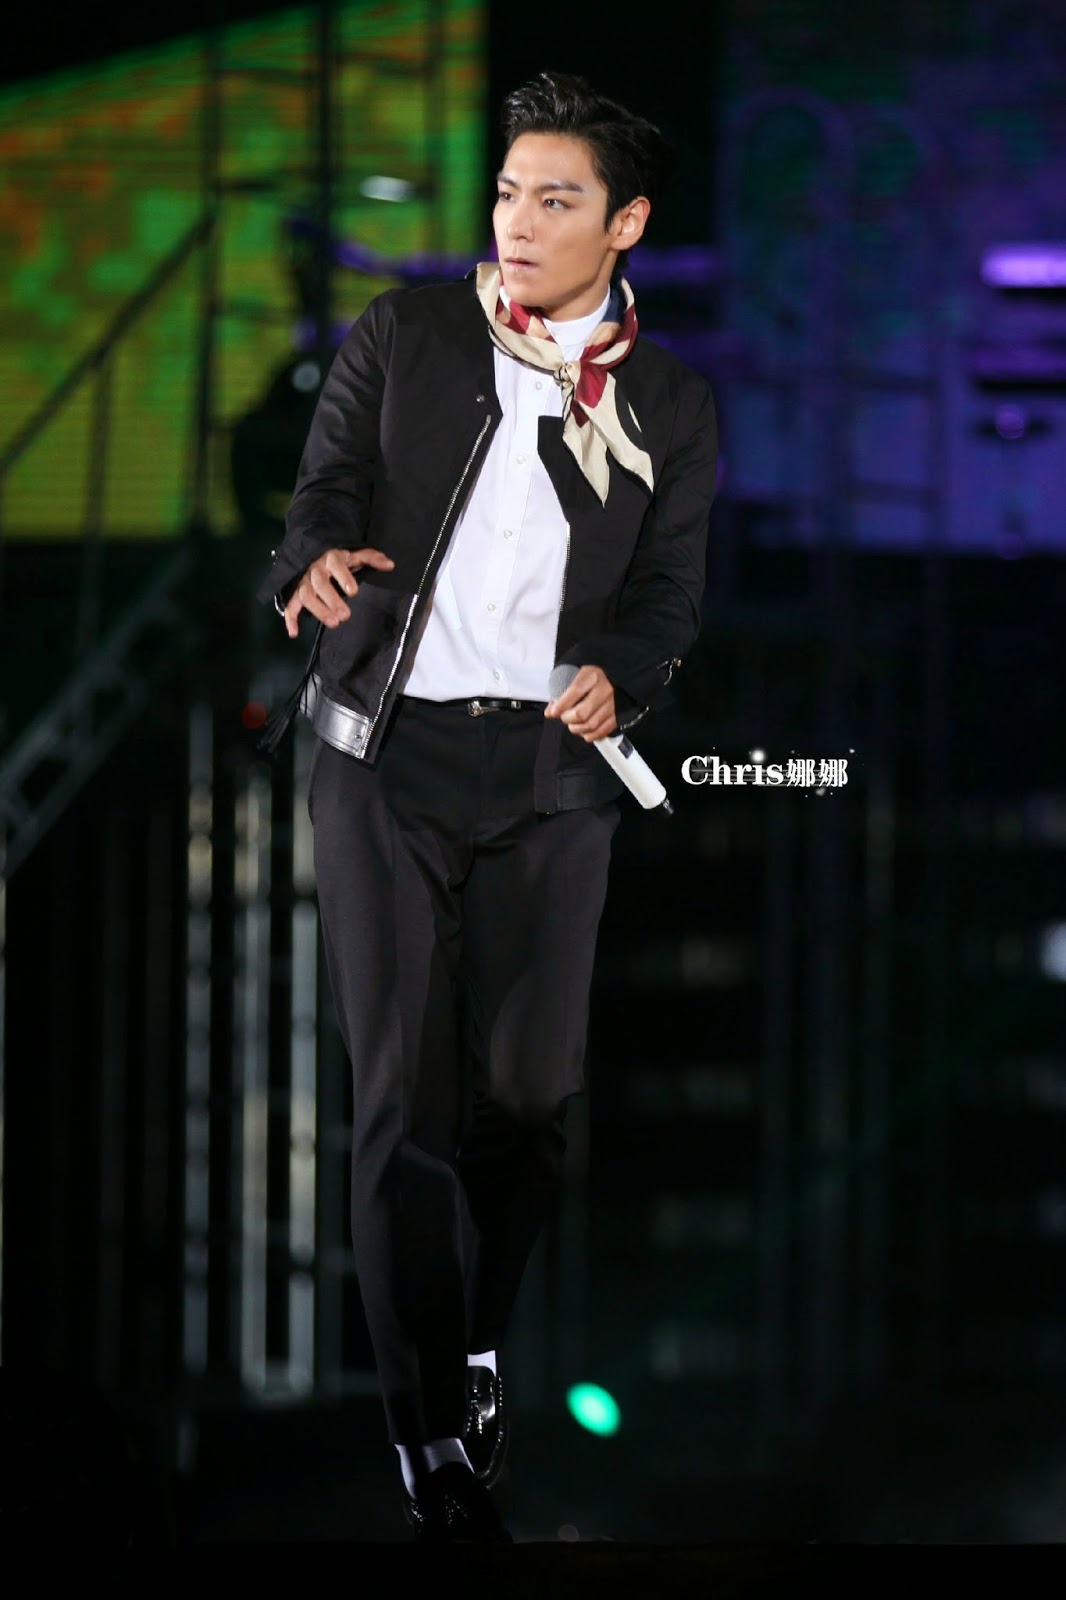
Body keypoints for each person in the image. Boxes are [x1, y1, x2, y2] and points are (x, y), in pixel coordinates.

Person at [257, 69, 717, 1542]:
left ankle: (470, 1348)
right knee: (403, 1103)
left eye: (556, 199)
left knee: (525, 1104)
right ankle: (428, 1439)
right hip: (383, 757)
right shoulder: (408, 334)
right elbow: (320, 494)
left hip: (548, 781)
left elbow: (669, 594)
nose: (519, 221)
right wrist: (313, 564)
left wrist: (624, 674)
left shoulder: (668, 402)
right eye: (511, 192)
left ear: (624, 224)